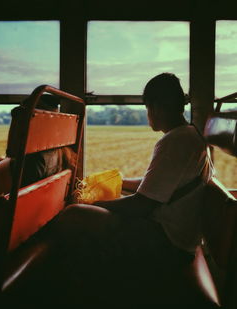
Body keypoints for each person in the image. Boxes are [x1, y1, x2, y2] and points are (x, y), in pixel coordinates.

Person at [51, 73, 213, 305]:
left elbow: (142, 204)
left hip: (168, 242)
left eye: (148, 107)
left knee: (73, 215)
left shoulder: (175, 142)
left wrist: (93, 205)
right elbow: (156, 185)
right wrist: (120, 180)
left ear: (157, 107)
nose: (148, 114)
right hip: (176, 235)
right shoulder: (188, 136)